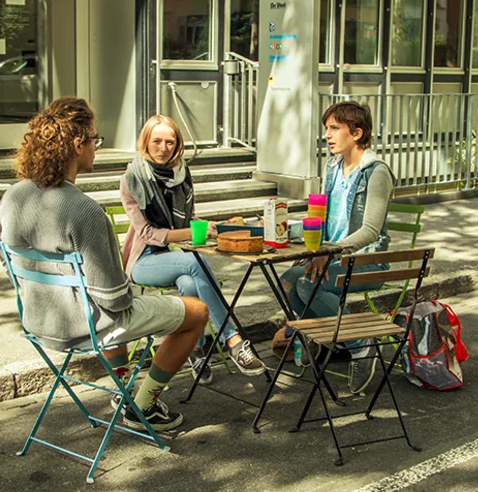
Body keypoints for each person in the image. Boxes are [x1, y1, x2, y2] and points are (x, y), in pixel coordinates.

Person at [0, 97, 207, 431]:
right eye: (95, 139)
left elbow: (7, 260)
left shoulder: (13, 197)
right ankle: (143, 405)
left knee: (113, 305)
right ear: (79, 145)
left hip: (37, 320)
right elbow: (114, 300)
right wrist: (135, 295)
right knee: (196, 312)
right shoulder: (85, 211)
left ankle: (123, 389)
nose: (97, 146)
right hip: (87, 327)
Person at [119, 115, 267, 384]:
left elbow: (189, 221)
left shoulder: (182, 174)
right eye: (157, 141)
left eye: (170, 142)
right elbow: (149, 234)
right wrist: (193, 231)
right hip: (143, 261)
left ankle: (195, 350)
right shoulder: (133, 179)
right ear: (145, 142)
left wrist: (212, 228)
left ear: (177, 145)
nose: (163, 148)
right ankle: (232, 338)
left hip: (173, 256)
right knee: (192, 264)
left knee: (189, 282)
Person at [280, 101, 396, 395]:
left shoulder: (376, 172)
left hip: (367, 261)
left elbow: (370, 231)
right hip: (332, 258)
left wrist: (328, 252)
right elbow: (322, 217)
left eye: (335, 128)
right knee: (288, 280)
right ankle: (327, 339)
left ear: (356, 133)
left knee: (308, 285)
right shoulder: (332, 167)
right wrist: (281, 227)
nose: (328, 135)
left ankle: (361, 347)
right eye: (326, 129)